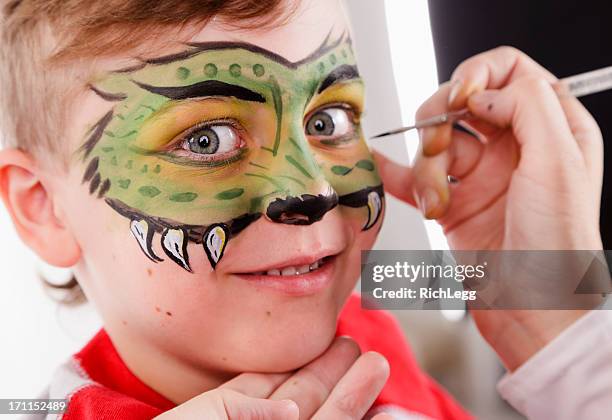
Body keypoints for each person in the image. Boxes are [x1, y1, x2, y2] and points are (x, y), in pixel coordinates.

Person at [0, 1, 609, 419]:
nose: (314, 190)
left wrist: (554, 322)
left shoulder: (366, 334)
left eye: (328, 120)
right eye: (206, 139)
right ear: (44, 208)